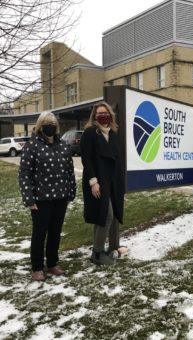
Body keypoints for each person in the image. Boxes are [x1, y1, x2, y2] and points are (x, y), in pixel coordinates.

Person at [19, 112, 76, 281]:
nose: (49, 126)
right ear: (40, 125)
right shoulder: (32, 146)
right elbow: (24, 174)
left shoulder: (63, 145)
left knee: (55, 232)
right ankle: (37, 268)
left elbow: (69, 171)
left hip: (60, 197)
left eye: (52, 123)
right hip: (40, 199)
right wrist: (28, 198)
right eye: (46, 123)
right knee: (39, 233)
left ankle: (52, 264)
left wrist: (71, 192)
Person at [80, 101, 126, 266]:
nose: (103, 116)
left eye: (105, 113)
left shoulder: (112, 134)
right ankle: (98, 253)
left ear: (110, 115)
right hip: (97, 181)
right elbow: (87, 159)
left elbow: (117, 159)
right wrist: (93, 182)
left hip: (111, 182)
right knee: (107, 215)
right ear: (95, 116)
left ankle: (96, 251)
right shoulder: (90, 133)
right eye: (99, 114)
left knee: (101, 216)